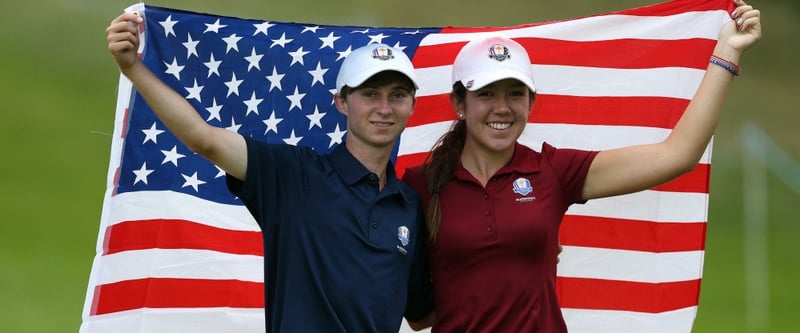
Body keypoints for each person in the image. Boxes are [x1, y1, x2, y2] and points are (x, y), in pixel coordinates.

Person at [402, 1, 761, 332]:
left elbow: (676, 156)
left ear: (531, 102)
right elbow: (417, 315)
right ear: (459, 103)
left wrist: (727, 53)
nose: (502, 108)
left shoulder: (553, 170)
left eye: (515, 93)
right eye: (486, 94)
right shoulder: (420, 184)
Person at [106, 12, 433, 333]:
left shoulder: (407, 205)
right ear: (342, 102)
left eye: (398, 95)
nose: (385, 108)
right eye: (370, 94)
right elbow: (203, 138)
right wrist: (133, 67)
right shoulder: (293, 175)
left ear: (412, 106)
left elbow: (420, 315)